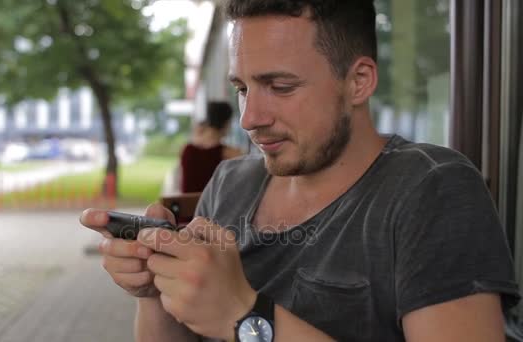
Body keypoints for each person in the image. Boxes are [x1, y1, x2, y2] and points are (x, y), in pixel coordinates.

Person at [80, 0, 520, 341]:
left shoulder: (431, 189)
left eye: (280, 86)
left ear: (359, 81)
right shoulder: (230, 184)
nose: (250, 117)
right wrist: (158, 288)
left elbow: (235, 315)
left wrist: (244, 316)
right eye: (242, 88)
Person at [179, 101, 243, 193]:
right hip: (213, 206)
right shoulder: (231, 154)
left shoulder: (186, 149)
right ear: (226, 123)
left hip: (187, 206)